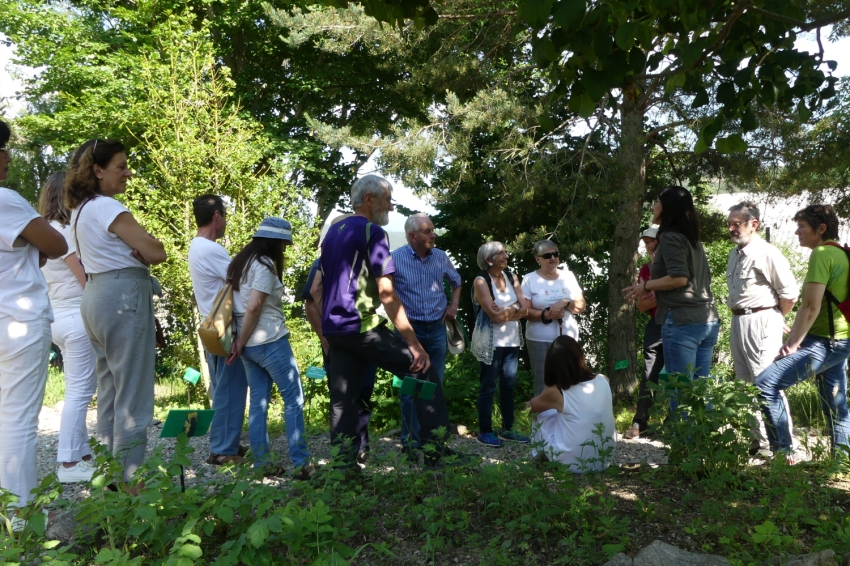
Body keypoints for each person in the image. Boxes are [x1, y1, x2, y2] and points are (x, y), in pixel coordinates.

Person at [315, 174, 469, 468]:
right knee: (424, 372)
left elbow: (318, 287)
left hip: (334, 330)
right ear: (369, 199)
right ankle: (436, 452)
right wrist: (414, 345)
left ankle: (342, 469)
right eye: (387, 200)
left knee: (343, 400)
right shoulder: (372, 232)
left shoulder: (334, 232)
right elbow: (387, 293)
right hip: (361, 327)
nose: (391, 206)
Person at [67, 138, 167, 484]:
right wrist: (142, 250)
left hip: (95, 294)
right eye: (120, 166)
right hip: (123, 295)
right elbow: (157, 252)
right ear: (98, 171)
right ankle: (131, 484)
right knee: (133, 395)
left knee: (110, 393)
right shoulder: (108, 207)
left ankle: (109, 481)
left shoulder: (80, 210)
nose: (127, 172)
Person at [0, 121, 68, 519]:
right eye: (3, 151)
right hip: (19, 319)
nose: (8, 158)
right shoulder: (6, 200)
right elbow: (56, 244)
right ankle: (19, 518)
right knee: (19, 419)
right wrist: (29, 245)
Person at [755, 205, 850, 457]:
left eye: (802, 227)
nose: (797, 232)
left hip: (828, 343)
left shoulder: (822, 253)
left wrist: (793, 344)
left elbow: (810, 307)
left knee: (765, 384)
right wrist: (794, 338)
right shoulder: (840, 253)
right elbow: (808, 307)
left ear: (821, 229)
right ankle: (841, 461)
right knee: (835, 405)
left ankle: (783, 455)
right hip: (839, 339)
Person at [225, 217, 311, 478]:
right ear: (274, 242)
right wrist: (241, 342)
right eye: (284, 244)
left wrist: (240, 342)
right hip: (269, 341)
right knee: (294, 399)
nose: (284, 249)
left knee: (259, 403)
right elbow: (254, 307)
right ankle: (301, 464)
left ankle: (262, 464)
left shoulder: (240, 263)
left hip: (248, 346)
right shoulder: (263, 265)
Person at [623, 186, 719, 408]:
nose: (654, 206)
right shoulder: (692, 238)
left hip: (683, 321)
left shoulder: (670, 237)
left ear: (667, 207)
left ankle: (683, 432)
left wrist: (645, 285)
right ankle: (705, 430)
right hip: (706, 319)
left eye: (657, 201)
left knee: (681, 391)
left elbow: (679, 278)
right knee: (700, 391)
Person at [725, 202, 799, 454]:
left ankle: (784, 445)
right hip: (738, 320)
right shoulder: (735, 254)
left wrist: (774, 317)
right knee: (744, 383)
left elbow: (790, 294)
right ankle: (758, 441)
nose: (732, 229)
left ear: (753, 224)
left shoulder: (767, 253)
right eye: (729, 224)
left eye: (737, 224)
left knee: (766, 381)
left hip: (762, 321)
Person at [302, 214, 377, 463]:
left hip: (363, 338)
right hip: (339, 341)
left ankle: (360, 447)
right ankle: (345, 453)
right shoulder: (322, 263)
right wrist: (325, 338)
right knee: (344, 398)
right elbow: (310, 302)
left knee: (362, 394)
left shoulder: (359, 259)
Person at [38, 171, 97, 482]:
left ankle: (83, 456)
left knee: (76, 388)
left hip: (56, 319)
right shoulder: (65, 231)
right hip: (76, 317)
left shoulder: (42, 232)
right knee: (80, 391)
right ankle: (69, 464)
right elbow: (85, 278)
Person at [391, 213, 462, 450]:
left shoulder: (440, 257)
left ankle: (433, 443)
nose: (434, 235)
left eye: (433, 230)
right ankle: (410, 442)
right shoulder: (395, 258)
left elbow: (456, 282)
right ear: (413, 236)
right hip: (409, 332)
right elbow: (386, 294)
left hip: (437, 329)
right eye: (428, 231)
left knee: (434, 387)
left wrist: (453, 305)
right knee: (409, 387)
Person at [187, 194, 248, 466]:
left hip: (211, 326)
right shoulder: (210, 249)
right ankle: (222, 449)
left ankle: (227, 442)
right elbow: (241, 280)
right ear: (216, 216)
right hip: (224, 328)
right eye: (224, 215)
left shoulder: (196, 246)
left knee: (224, 386)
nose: (225, 221)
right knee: (230, 388)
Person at [526, 336, 615, 472]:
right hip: (602, 460)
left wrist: (535, 400)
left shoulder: (556, 392)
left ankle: (542, 458)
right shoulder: (603, 380)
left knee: (541, 416)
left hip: (571, 464)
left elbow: (529, 408)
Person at [471, 241, 530, 448]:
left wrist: (507, 310)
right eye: (501, 253)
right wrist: (514, 308)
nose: (506, 256)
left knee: (509, 385)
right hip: (491, 342)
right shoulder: (481, 281)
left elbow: (526, 309)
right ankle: (485, 431)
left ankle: (508, 428)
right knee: (488, 386)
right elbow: (494, 317)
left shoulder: (512, 277)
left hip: (511, 340)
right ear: (489, 259)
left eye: (506, 252)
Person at [520, 239, 586, 397]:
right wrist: (547, 314)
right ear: (538, 259)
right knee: (544, 381)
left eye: (555, 254)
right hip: (539, 339)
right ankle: (543, 413)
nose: (552, 258)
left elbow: (581, 305)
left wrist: (566, 302)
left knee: (571, 378)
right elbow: (524, 311)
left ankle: (569, 411)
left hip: (568, 338)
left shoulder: (568, 276)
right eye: (547, 255)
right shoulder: (529, 279)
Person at [624, 226, 664, 439]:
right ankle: (640, 422)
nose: (649, 245)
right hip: (656, 324)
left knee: (679, 373)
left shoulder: (673, 265)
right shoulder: (646, 270)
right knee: (649, 374)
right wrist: (662, 295)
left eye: (652, 240)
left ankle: (675, 423)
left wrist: (654, 294)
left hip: (678, 324)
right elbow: (641, 306)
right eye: (646, 242)